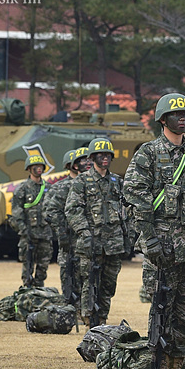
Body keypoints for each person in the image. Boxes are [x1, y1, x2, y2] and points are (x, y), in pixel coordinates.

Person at [124, 92, 185, 369]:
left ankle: (178, 366)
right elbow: (135, 196)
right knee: (162, 307)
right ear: (163, 120)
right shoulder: (148, 153)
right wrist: (149, 240)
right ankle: (160, 368)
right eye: (177, 114)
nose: (183, 118)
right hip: (163, 245)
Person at [65, 138, 129, 327]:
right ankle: (89, 321)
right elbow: (72, 209)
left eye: (108, 155)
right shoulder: (82, 181)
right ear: (93, 158)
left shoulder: (117, 181)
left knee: (108, 286)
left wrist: (128, 237)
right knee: (89, 284)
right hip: (90, 244)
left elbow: (127, 209)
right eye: (101, 155)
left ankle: (103, 320)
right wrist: (84, 231)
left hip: (113, 245)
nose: (105, 159)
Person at [44, 149, 80, 301]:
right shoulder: (60, 187)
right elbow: (49, 212)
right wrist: (62, 232)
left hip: (89, 241)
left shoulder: (90, 185)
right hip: (69, 241)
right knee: (69, 276)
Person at [12, 153, 54, 287]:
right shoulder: (22, 189)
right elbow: (17, 212)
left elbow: (53, 209)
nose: (39, 168)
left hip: (45, 234)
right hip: (28, 234)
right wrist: (23, 230)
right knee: (27, 265)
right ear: (29, 169)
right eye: (35, 166)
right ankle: (27, 292)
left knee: (43, 266)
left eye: (41, 166)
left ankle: (39, 289)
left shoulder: (49, 188)